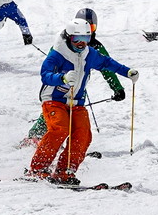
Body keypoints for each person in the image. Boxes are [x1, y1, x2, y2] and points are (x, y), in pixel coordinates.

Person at [26, 17, 137, 185]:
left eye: (85, 39)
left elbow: (107, 63)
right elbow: (45, 75)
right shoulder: (58, 53)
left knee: (83, 134)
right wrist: (61, 78)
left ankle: (65, 171)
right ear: (69, 37)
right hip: (54, 100)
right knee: (60, 129)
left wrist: (127, 72)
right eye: (77, 39)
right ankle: (38, 169)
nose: (81, 43)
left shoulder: (89, 53)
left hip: (76, 102)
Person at [20, 8, 125, 148]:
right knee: (55, 111)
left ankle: (68, 146)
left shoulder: (96, 47)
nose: (87, 31)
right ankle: (35, 136)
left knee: (73, 114)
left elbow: (107, 69)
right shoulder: (63, 42)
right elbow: (51, 62)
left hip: (78, 85)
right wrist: (58, 77)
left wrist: (117, 87)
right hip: (59, 84)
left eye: (91, 27)